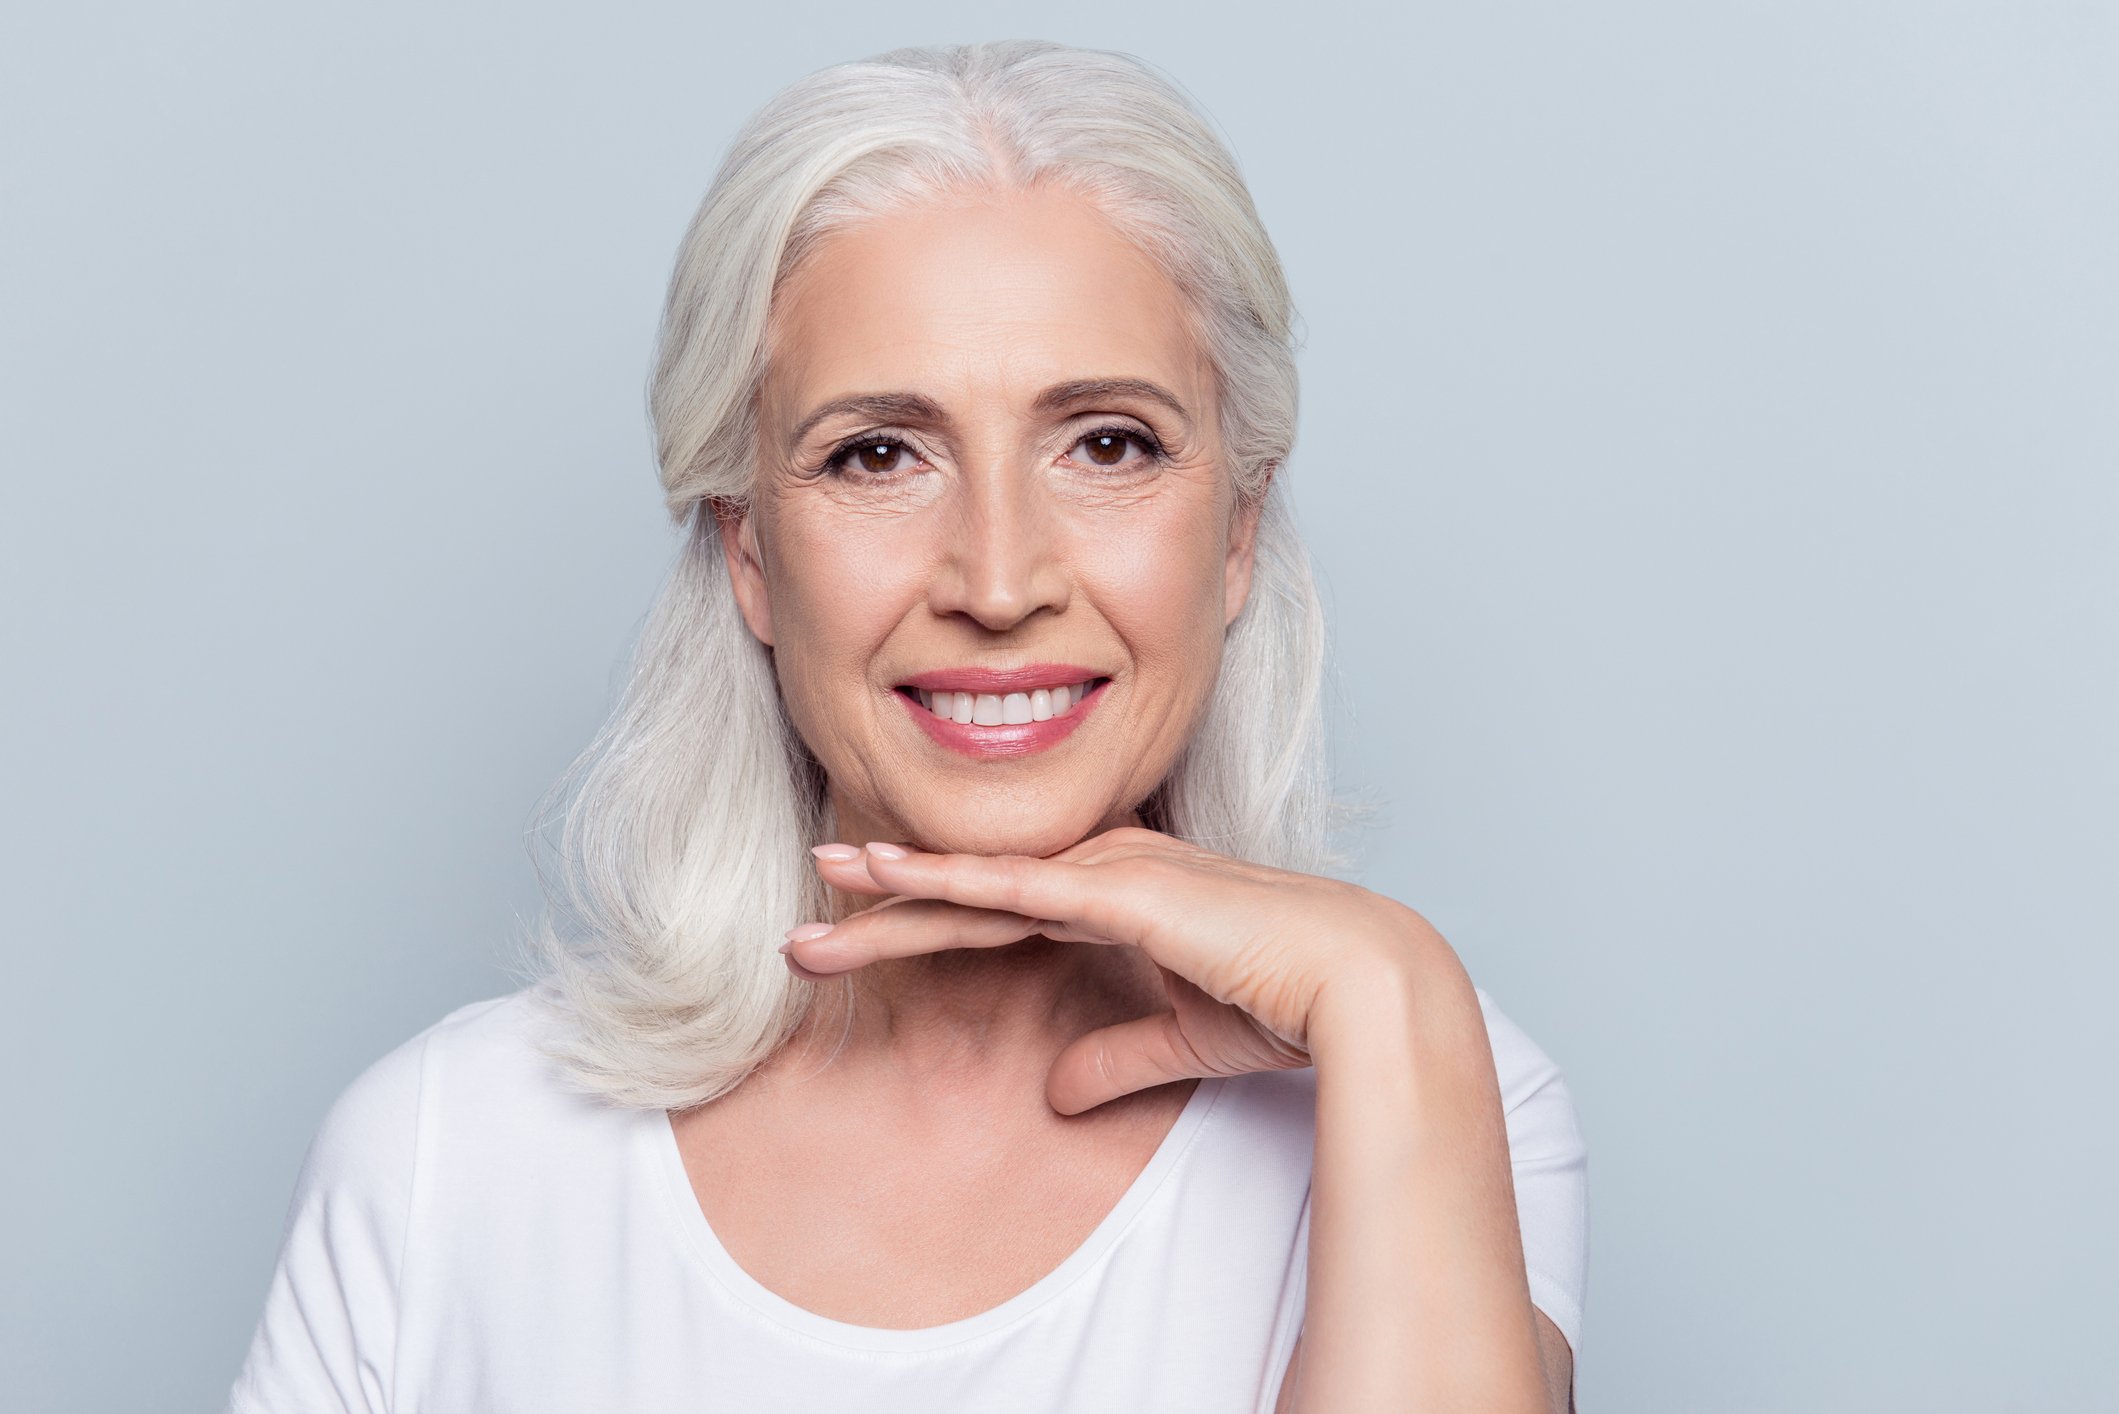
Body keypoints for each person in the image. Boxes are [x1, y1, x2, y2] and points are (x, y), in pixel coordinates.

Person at [228, 38, 1587, 1413]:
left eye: (1108, 443)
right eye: (878, 453)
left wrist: (1389, 987)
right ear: (748, 550)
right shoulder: (443, 1158)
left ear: (1237, 530)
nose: (998, 582)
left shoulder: (1418, 1084)